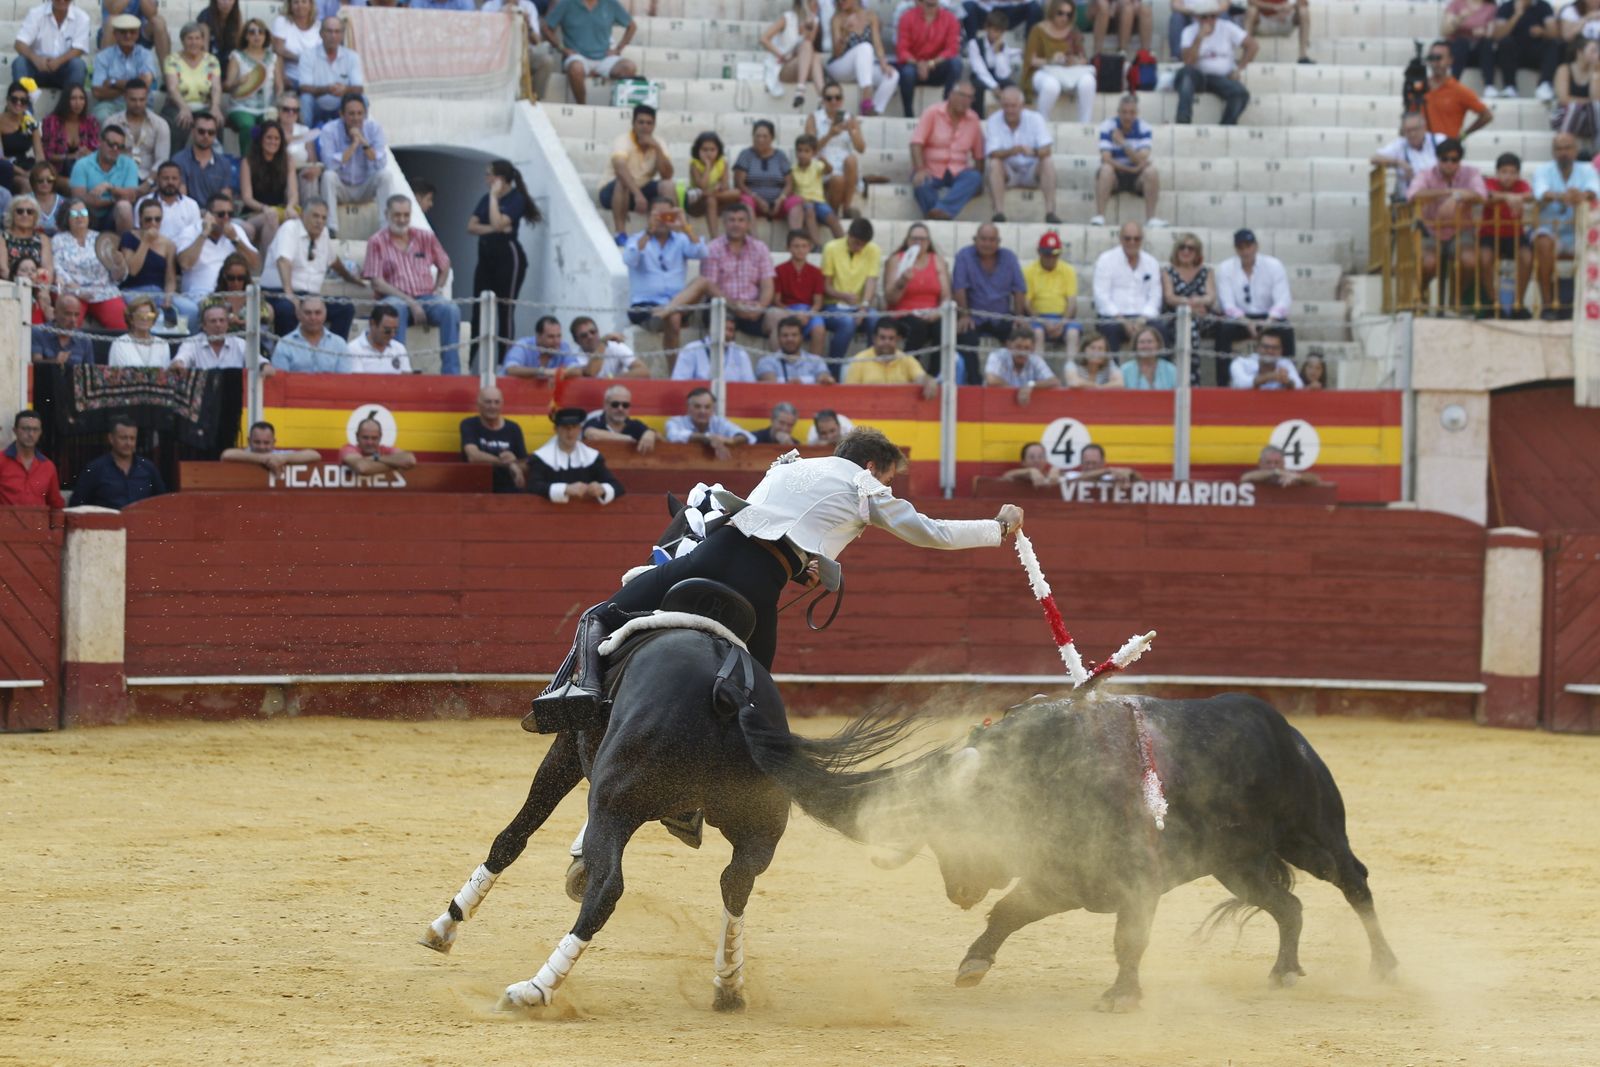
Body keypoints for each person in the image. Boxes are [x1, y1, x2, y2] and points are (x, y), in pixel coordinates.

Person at [527, 425, 1024, 723]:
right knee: (754, 700)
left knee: (601, 614)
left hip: (710, 559)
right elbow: (929, 532)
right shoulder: (863, 485)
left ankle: (582, 690)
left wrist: (808, 560)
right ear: (872, 466)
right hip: (760, 592)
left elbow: (760, 517)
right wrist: (997, 529)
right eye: (889, 477)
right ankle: (705, 794)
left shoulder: (788, 466)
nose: (888, 486)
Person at [364, 194, 459, 373]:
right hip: (393, 297)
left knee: (450, 309)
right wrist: (410, 301)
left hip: (426, 296)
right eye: (397, 215)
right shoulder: (376, 241)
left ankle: (451, 373)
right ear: (387, 214)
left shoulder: (426, 237)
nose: (402, 220)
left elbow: (445, 264)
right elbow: (377, 282)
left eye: (406, 215)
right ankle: (399, 370)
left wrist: (438, 289)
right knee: (395, 308)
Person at [261, 196, 361, 339]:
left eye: (323, 218)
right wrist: (290, 296)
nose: (319, 221)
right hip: (279, 293)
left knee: (345, 307)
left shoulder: (324, 233)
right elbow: (283, 261)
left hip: (310, 297)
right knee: (287, 309)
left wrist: (352, 279)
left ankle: (334, 354)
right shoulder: (290, 228)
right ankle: (286, 356)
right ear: (302, 215)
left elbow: (333, 261)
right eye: (315, 216)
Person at [469, 159, 537, 365]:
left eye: (490, 174)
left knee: (505, 310)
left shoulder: (516, 199)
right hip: (486, 257)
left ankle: (504, 363)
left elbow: (499, 222)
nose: (486, 179)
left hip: (508, 257)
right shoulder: (484, 199)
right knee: (478, 309)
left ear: (500, 179)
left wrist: (493, 197)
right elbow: (471, 226)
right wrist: (493, 228)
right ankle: (469, 360)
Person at [1407, 139, 1487, 311]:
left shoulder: (1471, 172)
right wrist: (1449, 193)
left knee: (1470, 261)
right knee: (1428, 263)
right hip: (1430, 230)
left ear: (1460, 160)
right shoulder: (1425, 174)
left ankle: (1455, 298)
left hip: (1461, 230)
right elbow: (1413, 195)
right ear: (1438, 158)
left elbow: (1481, 195)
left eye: (1454, 159)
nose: (1449, 163)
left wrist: (1457, 197)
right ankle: (1420, 294)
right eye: (1445, 159)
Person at [623, 196, 707, 354]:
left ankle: (666, 311)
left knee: (702, 282)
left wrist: (684, 226)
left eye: (666, 215)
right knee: (674, 317)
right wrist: (649, 232)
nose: (662, 220)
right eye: (657, 215)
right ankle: (674, 375)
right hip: (645, 306)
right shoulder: (636, 239)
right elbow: (630, 259)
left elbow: (702, 252)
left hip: (676, 304)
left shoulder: (681, 239)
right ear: (649, 217)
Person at [1532, 130, 1600, 318]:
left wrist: (1581, 196)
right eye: (1559, 148)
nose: (1564, 152)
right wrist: (1566, 196)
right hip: (1550, 229)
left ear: (1576, 150)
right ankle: (1548, 305)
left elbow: (1594, 191)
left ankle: (1587, 306)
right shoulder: (1543, 170)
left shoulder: (1587, 169)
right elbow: (1541, 193)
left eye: (1568, 148)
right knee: (1543, 241)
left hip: (1581, 230)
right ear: (1553, 152)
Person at [953, 221, 1025, 380]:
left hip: (1002, 315)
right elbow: (959, 287)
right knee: (965, 337)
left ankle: (1016, 380)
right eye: (983, 239)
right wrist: (964, 315)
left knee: (1021, 337)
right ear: (975, 239)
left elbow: (1019, 289)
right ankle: (974, 382)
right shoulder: (964, 256)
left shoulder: (1009, 257)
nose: (987, 243)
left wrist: (1018, 316)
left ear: (998, 242)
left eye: (992, 240)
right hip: (973, 315)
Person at [1214, 227, 1294, 362]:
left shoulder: (1274, 265)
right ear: (1236, 249)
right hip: (1240, 319)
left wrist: (1270, 320)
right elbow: (1227, 304)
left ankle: (1287, 372)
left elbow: (1283, 300)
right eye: (1241, 247)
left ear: (1256, 246)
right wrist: (1246, 321)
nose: (1245, 251)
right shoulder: (1225, 268)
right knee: (1223, 330)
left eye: (1249, 246)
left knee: (1286, 329)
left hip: (1268, 316)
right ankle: (1223, 381)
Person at [983, 85, 1058, 225]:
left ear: (1022, 105)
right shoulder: (994, 120)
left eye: (1014, 106)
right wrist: (1014, 150)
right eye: (1006, 106)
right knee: (994, 164)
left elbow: (1047, 150)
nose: (1010, 110)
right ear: (1001, 105)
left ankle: (1050, 212)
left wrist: (1033, 152)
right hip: (1008, 171)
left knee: (1047, 162)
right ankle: (998, 212)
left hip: (1031, 170)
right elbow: (992, 153)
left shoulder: (1035, 118)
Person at [910, 80, 984, 220]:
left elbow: (979, 155)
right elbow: (916, 143)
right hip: (930, 168)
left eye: (970, 97)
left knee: (974, 177)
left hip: (958, 170)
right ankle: (940, 214)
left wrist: (978, 183)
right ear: (951, 95)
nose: (966, 101)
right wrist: (920, 169)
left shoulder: (973, 119)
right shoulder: (932, 112)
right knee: (922, 183)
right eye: (962, 95)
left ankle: (939, 211)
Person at [119, 196, 199, 325]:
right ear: (140, 219)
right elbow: (132, 270)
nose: (153, 223)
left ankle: (185, 344)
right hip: (133, 291)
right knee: (157, 318)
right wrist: (145, 242)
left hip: (159, 292)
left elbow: (170, 278)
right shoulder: (129, 237)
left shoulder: (168, 244)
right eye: (148, 220)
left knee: (191, 310)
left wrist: (168, 296)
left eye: (157, 219)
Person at [701, 202, 775, 338]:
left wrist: (760, 307)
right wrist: (734, 306)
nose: (736, 224)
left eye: (741, 220)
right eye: (732, 220)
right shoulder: (712, 248)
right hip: (723, 305)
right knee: (720, 319)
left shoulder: (760, 248)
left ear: (748, 224)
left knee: (779, 320)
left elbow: (767, 285)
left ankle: (778, 360)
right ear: (724, 223)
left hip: (753, 307)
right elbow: (709, 287)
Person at [53, 198, 129, 329]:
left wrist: (120, 263)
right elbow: (56, 267)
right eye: (74, 214)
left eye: (83, 213)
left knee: (123, 324)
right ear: (66, 218)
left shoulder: (101, 239)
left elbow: (118, 276)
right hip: (72, 291)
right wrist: (76, 290)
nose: (80, 217)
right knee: (67, 326)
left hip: (104, 291)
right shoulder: (58, 240)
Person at [544, 0, 636, 107]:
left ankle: (614, 108)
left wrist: (618, 49)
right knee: (576, 69)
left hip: (604, 57)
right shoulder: (567, 3)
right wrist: (562, 48)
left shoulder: (610, 3)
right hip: (577, 56)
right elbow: (546, 27)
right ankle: (582, 106)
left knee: (629, 67)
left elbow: (632, 26)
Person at [1176, 2, 1255, 126]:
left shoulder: (1227, 27)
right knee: (1186, 75)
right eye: (1204, 17)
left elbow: (1252, 46)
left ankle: (1226, 126)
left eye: (1212, 16)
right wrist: (1199, 38)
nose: (1209, 20)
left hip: (1220, 78)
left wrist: (1239, 69)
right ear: (1197, 17)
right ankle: (1183, 120)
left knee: (1240, 94)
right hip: (1197, 75)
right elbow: (1188, 61)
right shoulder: (1189, 31)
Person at [600, 104, 673, 236]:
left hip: (640, 189)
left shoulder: (659, 143)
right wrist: (638, 195)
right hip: (611, 192)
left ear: (654, 126)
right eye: (641, 122)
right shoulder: (623, 140)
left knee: (668, 186)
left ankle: (668, 233)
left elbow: (667, 175)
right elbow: (620, 168)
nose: (645, 126)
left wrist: (657, 149)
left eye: (649, 123)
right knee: (623, 181)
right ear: (633, 124)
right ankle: (620, 233)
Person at [528, 406, 625, 504]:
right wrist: (565, 489)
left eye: (574, 427)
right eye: (565, 427)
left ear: (579, 429)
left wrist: (602, 489)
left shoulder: (591, 457)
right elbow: (533, 487)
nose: (570, 432)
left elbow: (617, 486)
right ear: (556, 429)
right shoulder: (542, 458)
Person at [882, 221, 950, 359]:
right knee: (918, 327)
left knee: (943, 327)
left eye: (922, 239)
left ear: (928, 242)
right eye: (914, 239)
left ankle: (937, 373)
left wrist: (938, 313)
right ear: (907, 241)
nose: (918, 242)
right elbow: (890, 298)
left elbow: (946, 296)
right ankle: (910, 370)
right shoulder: (896, 260)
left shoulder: (937, 260)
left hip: (931, 313)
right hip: (903, 314)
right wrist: (902, 282)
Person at [820, 215, 881, 369]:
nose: (859, 247)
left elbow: (871, 280)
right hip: (833, 305)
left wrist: (864, 306)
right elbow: (825, 286)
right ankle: (833, 370)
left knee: (875, 319)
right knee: (847, 323)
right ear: (849, 234)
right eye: (856, 243)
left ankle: (872, 368)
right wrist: (843, 296)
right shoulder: (831, 248)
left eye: (863, 245)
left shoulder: (873, 250)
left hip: (859, 306)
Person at [177, 190, 259, 302]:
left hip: (232, 296)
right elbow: (185, 264)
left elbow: (255, 264)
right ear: (208, 215)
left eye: (230, 214)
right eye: (221, 214)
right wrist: (204, 234)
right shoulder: (190, 232)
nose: (226, 218)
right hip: (201, 296)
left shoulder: (236, 231)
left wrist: (235, 239)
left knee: (266, 311)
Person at [1094, 93, 1162, 227]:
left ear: (1136, 113)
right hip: (1116, 174)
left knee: (1152, 172)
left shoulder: (1144, 127)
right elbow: (1106, 158)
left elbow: (1142, 158)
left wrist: (1123, 143)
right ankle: (1100, 216)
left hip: (1136, 177)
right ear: (1118, 112)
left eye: (1131, 112)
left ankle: (1151, 219)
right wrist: (1132, 168)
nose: (1127, 116)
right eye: (1124, 112)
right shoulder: (1107, 126)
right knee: (1106, 170)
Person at [311, 92, 389, 210]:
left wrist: (363, 142)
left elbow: (381, 163)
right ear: (342, 115)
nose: (356, 118)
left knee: (385, 176)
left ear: (365, 114)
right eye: (351, 114)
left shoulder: (374, 128)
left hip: (365, 186)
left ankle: (386, 225)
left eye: (359, 113)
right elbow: (329, 165)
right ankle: (331, 227)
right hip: (342, 187)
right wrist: (353, 145)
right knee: (328, 176)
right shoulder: (329, 130)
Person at [1092, 220, 1161, 352]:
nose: (1132, 242)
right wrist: (1122, 321)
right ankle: (1113, 373)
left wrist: (1143, 319)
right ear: (1120, 239)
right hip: (1114, 317)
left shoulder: (1151, 262)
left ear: (1142, 239)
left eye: (1137, 239)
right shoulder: (1106, 260)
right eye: (1127, 238)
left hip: (1143, 317)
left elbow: (1155, 297)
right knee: (1110, 330)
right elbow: (1101, 297)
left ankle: (1161, 372)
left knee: (1161, 330)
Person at [71, 416, 167, 509]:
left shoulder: (148, 468)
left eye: (132, 438)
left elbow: (163, 503)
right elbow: (76, 506)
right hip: (107, 523)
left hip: (141, 523)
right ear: (111, 439)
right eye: (123, 438)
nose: (128, 443)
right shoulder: (95, 469)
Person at [1023, 0, 1095, 124]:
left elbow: (1084, 58)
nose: (1064, 18)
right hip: (1043, 71)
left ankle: (1084, 124)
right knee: (1051, 86)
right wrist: (1052, 60)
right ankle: (1042, 124)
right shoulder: (1038, 30)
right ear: (1053, 12)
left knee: (1088, 81)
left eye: (1068, 14)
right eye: (1060, 13)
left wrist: (1075, 61)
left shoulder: (1073, 31)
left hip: (1068, 71)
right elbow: (1031, 60)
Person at [1481, 151, 1533, 318]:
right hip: (1490, 233)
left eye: (1512, 173)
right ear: (1497, 173)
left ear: (1518, 174)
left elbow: (1531, 196)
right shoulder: (1489, 182)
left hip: (1515, 234)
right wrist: (1509, 197)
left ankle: (1518, 303)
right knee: (1484, 259)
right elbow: (1487, 197)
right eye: (1504, 172)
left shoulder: (1522, 185)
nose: (1508, 177)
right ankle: (1494, 303)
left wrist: (1514, 197)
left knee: (1527, 258)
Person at [827, 0, 899, 117]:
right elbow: (837, 54)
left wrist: (883, 64)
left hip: (863, 67)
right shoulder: (837, 18)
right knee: (865, 47)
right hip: (841, 66)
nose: (841, 1)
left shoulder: (870, 16)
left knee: (893, 75)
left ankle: (873, 111)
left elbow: (878, 44)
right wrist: (845, 33)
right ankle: (866, 98)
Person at [69, 122, 146, 232]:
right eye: (111, 144)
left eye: (119, 147)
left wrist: (110, 188)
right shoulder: (82, 165)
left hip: (114, 215)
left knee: (124, 207)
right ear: (100, 142)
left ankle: (126, 247)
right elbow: (78, 198)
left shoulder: (129, 164)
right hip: (88, 215)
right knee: (78, 208)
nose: (115, 149)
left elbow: (131, 196)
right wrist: (114, 198)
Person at [806, 82, 866, 219]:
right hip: (823, 160)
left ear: (842, 100)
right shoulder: (814, 118)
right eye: (829, 98)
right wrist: (829, 134)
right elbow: (810, 148)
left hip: (844, 162)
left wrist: (852, 131)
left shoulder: (850, 118)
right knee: (837, 179)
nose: (834, 101)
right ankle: (832, 212)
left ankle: (846, 208)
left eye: (837, 98)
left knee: (851, 160)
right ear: (823, 100)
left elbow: (861, 148)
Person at [765, 228, 828, 354]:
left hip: (809, 311)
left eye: (804, 246)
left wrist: (808, 314)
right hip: (787, 310)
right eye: (796, 246)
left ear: (809, 248)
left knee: (819, 329)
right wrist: (793, 313)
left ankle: (815, 365)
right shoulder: (779, 270)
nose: (800, 250)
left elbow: (818, 302)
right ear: (788, 248)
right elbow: (776, 300)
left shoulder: (816, 272)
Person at [896, 0, 964, 118]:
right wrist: (919, 64)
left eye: (934, 5)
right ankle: (908, 115)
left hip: (937, 65)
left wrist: (930, 63)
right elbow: (902, 50)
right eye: (928, 5)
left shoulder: (950, 19)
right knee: (907, 73)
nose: (932, 8)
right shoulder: (907, 17)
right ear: (921, 3)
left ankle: (947, 108)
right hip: (914, 65)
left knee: (956, 63)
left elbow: (952, 49)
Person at [239, 118, 297, 250]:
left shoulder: (288, 161)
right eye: (269, 137)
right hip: (254, 213)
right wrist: (264, 208)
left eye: (277, 138)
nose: (273, 142)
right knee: (271, 217)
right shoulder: (248, 162)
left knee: (295, 218)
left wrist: (290, 206)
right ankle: (267, 265)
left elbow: (293, 192)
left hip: (279, 209)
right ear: (261, 139)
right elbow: (247, 198)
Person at [1161, 231, 1215, 372]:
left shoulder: (1206, 271)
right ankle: (1188, 376)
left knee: (1192, 323)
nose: (1186, 251)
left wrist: (1195, 302)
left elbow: (1210, 297)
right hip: (1176, 314)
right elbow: (1169, 297)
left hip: (1202, 316)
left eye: (1191, 248)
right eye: (1182, 247)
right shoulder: (1168, 271)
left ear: (1197, 252)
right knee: (1189, 323)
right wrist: (1190, 304)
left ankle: (1186, 375)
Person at [843, 319, 938, 398]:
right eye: (882, 338)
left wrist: (929, 381)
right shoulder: (860, 360)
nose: (887, 342)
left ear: (897, 340)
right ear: (874, 338)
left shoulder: (906, 359)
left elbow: (920, 377)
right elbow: (850, 393)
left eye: (891, 338)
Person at [163, 21, 222, 146]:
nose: (194, 42)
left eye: (197, 38)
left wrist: (215, 107)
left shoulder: (211, 60)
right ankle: (175, 162)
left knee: (216, 120)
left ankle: (217, 160)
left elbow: (216, 87)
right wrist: (184, 107)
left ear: (202, 41)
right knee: (180, 121)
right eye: (189, 38)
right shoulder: (172, 60)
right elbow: (172, 88)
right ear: (182, 41)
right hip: (177, 105)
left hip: (203, 106)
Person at [12, 0, 92, 91]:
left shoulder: (82, 17)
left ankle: (69, 103)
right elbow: (19, 43)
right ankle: (21, 101)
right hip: (37, 68)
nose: (62, 0)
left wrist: (59, 61)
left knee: (78, 65)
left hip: (64, 69)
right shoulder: (36, 13)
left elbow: (79, 49)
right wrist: (36, 59)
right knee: (20, 62)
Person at [1421, 39, 1494, 139]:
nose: (1435, 62)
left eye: (1439, 58)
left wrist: (1463, 135)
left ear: (1450, 60)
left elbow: (1486, 115)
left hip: (1446, 150)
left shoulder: (1458, 90)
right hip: (1423, 149)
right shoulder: (1419, 87)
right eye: (1432, 57)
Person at [460, 385, 527, 493]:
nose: (492, 406)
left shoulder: (514, 428)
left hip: (508, 491)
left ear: (502, 404)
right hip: (476, 489)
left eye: (497, 402)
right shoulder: (469, 424)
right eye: (488, 402)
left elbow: (525, 464)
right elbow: (473, 456)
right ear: (478, 404)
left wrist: (515, 461)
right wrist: (507, 463)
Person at [297, 16, 361, 127]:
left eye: (337, 32)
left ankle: (358, 136)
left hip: (342, 106)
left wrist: (346, 89)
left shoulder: (352, 56)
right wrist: (327, 89)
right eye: (329, 31)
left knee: (362, 100)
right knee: (305, 99)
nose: (333, 36)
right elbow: (303, 87)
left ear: (342, 35)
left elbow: (359, 88)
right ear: (321, 33)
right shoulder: (308, 55)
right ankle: (305, 138)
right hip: (316, 105)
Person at [170, 110, 236, 216]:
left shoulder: (224, 163)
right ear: (193, 131)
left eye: (211, 132)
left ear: (215, 135)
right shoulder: (179, 160)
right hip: (188, 216)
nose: (206, 136)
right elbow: (182, 199)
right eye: (201, 131)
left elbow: (225, 199)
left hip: (217, 217)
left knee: (248, 228)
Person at [761, 0, 824, 111]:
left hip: (800, 64)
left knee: (813, 53)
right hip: (782, 65)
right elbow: (764, 39)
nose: (817, 3)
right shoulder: (788, 18)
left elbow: (808, 47)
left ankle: (812, 94)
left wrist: (808, 29)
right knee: (812, 53)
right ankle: (820, 95)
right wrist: (781, 55)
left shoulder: (815, 21)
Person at [1489, 0, 1557, 101]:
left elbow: (1555, 34)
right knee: (1505, 43)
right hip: (1513, 54)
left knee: (1554, 44)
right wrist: (1517, 15)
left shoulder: (1544, 6)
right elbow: (1498, 36)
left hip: (1536, 52)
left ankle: (1544, 85)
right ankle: (1510, 87)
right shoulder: (1506, 7)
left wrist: (1543, 32)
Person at [1370, 112, 1445, 201]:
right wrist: (1399, 162)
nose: (1412, 134)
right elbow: (1374, 158)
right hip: (1409, 204)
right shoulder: (1400, 145)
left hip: (1439, 196)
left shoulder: (1438, 140)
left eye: (1415, 129)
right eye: (1408, 130)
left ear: (1424, 127)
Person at [664, 386, 756, 459]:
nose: (702, 411)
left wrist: (730, 440)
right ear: (688, 407)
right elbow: (673, 436)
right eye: (697, 406)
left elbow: (748, 436)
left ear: (713, 409)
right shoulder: (675, 422)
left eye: (707, 407)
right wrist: (708, 438)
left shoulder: (719, 422)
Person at [223, 18, 279, 137]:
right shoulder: (237, 56)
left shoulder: (273, 58)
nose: (256, 35)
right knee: (248, 126)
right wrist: (238, 82)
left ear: (265, 36)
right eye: (252, 32)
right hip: (241, 107)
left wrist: (277, 105)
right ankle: (247, 156)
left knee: (269, 128)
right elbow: (227, 86)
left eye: (261, 32)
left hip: (267, 108)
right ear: (246, 36)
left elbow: (280, 86)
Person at [105, 83, 170, 186]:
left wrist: (148, 182)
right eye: (133, 100)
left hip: (149, 178)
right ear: (125, 98)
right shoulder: (112, 122)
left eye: (142, 99)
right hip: (117, 178)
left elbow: (162, 159)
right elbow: (105, 154)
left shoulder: (160, 124)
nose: (138, 104)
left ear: (147, 98)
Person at [1022, 230, 1076, 352]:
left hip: (1062, 317)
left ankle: (1070, 367)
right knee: (1037, 333)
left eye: (1055, 254)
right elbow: (1027, 303)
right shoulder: (1028, 271)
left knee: (1073, 333)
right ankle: (1038, 368)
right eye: (1047, 254)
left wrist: (1062, 323)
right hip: (1038, 317)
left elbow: (1072, 302)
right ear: (1039, 252)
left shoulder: (1068, 270)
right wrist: (1043, 322)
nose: (1051, 258)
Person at [680, 131, 739, 240]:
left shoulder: (722, 163)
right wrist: (707, 167)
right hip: (697, 201)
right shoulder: (695, 164)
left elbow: (725, 186)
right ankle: (715, 238)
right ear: (698, 150)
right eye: (705, 150)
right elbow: (701, 186)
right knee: (710, 200)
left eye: (712, 150)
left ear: (718, 150)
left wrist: (717, 188)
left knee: (736, 193)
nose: (709, 153)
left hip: (715, 196)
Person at [0, 409, 65, 507]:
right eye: (25, 429)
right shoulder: (1, 461)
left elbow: (56, 505)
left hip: (38, 522)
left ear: (40, 432)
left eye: (35, 429)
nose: (30, 434)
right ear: (15, 430)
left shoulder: (48, 466)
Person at [785, 133, 841, 245]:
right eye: (799, 151)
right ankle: (817, 245)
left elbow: (829, 170)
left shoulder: (817, 165)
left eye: (806, 151)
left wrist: (825, 161)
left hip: (819, 202)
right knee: (810, 211)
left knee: (832, 218)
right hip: (803, 202)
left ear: (813, 153)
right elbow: (790, 190)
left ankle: (844, 244)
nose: (802, 154)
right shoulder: (792, 169)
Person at [270, 294, 348, 371]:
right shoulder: (284, 344)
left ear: (325, 314)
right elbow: (279, 381)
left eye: (318, 313)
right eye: (307, 313)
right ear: (298, 314)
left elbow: (345, 380)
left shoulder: (339, 344)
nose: (313, 318)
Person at [733, 119, 790, 223]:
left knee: (796, 203)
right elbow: (739, 184)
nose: (760, 139)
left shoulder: (780, 156)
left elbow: (789, 183)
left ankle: (796, 237)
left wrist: (780, 200)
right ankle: (754, 239)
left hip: (778, 202)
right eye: (757, 136)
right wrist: (757, 199)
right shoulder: (746, 155)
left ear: (772, 138)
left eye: (765, 136)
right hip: (753, 200)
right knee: (745, 201)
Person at [984, 326, 1059, 404]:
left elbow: (1054, 381)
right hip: (996, 403)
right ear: (1009, 345)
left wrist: (1030, 385)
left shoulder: (1035, 359)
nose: (1022, 352)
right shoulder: (998, 355)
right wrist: (1017, 391)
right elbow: (991, 379)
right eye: (1018, 347)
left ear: (1032, 349)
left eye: (1026, 348)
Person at [43, 86, 99, 188]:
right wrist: (69, 157)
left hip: (84, 169)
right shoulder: (52, 121)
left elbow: (97, 152)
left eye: (81, 98)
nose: (78, 102)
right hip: (57, 170)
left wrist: (88, 153)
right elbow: (47, 154)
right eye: (73, 98)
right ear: (65, 101)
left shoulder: (90, 121)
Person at [967, 9, 1020, 116]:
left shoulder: (1003, 46)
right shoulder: (975, 44)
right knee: (977, 87)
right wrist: (994, 86)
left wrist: (998, 53)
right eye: (995, 30)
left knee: (1012, 86)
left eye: (1001, 32)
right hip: (980, 78)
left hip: (996, 77)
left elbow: (1003, 74)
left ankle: (1012, 116)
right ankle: (978, 117)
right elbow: (980, 70)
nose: (997, 35)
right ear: (987, 28)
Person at [136, 160, 199, 248]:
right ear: (157, 180)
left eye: (174, 178)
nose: (170, 182)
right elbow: (138, 233)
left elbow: (194, 236)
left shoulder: (192, 205)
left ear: (180, 180)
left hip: (181, 254)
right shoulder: (143, 202)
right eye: (166, 178)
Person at [672, 316, 757, 381]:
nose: (726, 333)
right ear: (711, 329)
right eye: (723, 329)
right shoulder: (691, 349)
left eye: (730, 330)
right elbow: (679, 382)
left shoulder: (740, 353)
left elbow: (749, 385)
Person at [220, 419, 321, 473]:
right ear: (249, 441)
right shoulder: (245, 453)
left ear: (274, 442)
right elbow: (226, 454)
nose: (262, 447)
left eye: (266, 443)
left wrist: (282, 459)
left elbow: (315, 455)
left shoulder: (279, 455)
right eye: (257, 442)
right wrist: (265, 459)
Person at [582, 383, 659, 453]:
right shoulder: (596, 420)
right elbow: (591, 434)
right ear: (605, 404)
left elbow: (659, 438)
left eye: (625, 405)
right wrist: (628, 439)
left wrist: (651, 433)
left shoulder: (635, 424)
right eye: (615, 404)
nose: (620, 408)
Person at [503, 315, 585, 379]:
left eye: (559, 336)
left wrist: (556, 373)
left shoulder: (563, 346)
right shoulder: (523, 345)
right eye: (551, 337)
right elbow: (511, 369)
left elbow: (577, 370)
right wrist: (544, 372)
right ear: (538, 336)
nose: (556, 341)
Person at [173, 300, 247, 367]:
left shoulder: (241, 344)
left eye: (222, 320)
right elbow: (181, 358)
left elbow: (258, 363)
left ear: (227, 324)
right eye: (213, 321)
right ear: (204, 326)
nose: (218, 325)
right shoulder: (191, 343)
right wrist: (179, 364)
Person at [759, 319, 836, 383]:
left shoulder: (816, 361)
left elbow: (823, 377)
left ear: (801, 337)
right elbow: (770, 388)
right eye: (785, 335)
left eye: (794, 335)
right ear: (778, 338)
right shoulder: (767, 362)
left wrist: (825, 379)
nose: (790, 339)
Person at [271, 0, 320, 97]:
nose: (300, 6)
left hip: (314, 78)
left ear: (310, 5)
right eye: (296, 2)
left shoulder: (319, 26)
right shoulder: (282, 21)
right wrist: (302, 58)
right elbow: (278, 49)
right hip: (289, 77)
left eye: (304, 2)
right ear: (290, 6)